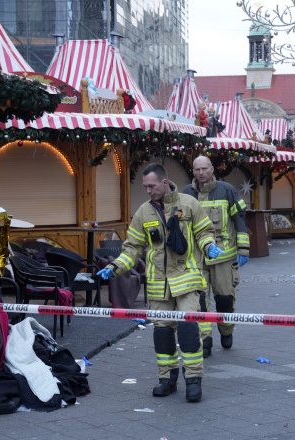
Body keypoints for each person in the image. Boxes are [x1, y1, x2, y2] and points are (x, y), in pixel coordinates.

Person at [96, 163, 222, 403]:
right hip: (158, 285)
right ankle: (167, 379)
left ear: (165, 183)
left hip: (187, 280)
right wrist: (114, 267)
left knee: (188, 330)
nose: (148, 190)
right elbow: (132, 248)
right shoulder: (143, 212)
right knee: (162, 334)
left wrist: (209, 246)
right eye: (145, 186)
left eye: (151, 186)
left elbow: (204, 232)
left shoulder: (189, 204)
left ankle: (194, 380)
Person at [183, 155, 250, 358]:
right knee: (200, 302)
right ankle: (205, 340)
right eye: (197, 169)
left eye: (205, 169)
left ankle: (226, 329)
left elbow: (239, 220)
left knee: (224, 299)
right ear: (193, 171)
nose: (201, 173)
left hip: (223, 258)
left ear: (212, 169)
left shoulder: (226, 190)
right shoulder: (186, 193)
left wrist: (243, 249)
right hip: (197, 259)